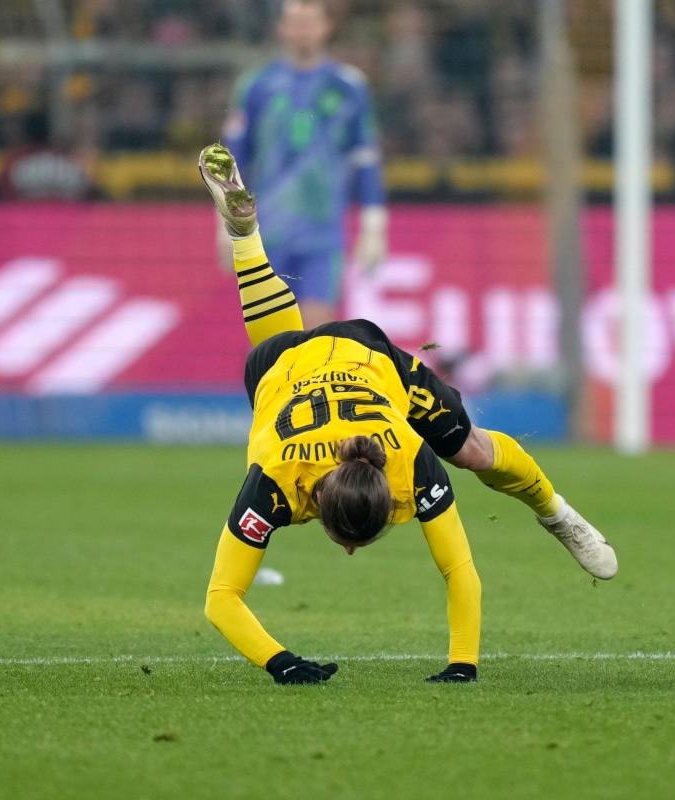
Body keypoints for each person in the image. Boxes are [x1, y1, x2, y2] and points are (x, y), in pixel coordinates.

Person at [199, 143, 616, 685]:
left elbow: (222, 598)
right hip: (296, 368)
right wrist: (460, 665)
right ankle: (246, 238)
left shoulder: (338, 473)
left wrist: (283, 665)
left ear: (323, 500)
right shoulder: (394, 466)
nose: (349, 550)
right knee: (474, 453)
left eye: (347, 540)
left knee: (471, 451)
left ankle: (557, 514)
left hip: (367, 365)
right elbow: (458, 570)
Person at [220, 0, 387, 329]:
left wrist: (374, 227)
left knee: (315, 334)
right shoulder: (257, 86)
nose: (302, 32)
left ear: (326, 27)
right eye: (295, 23)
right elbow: (232, 162)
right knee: (273, 339)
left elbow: (366, 159)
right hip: (266, 234)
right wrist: (225, 226)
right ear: (281, 28)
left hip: (322, 235)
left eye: (310, 23)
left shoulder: (348, 87)